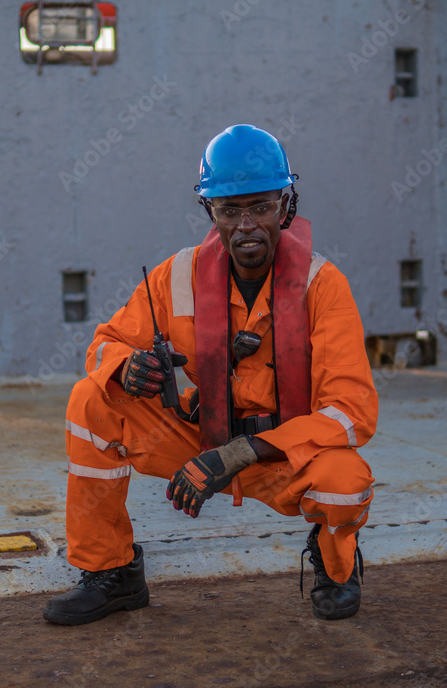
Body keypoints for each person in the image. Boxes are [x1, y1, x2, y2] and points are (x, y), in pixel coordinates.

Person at [43, 124, 378, 626]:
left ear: (285, 207)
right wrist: (126, 367)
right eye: (229, 210)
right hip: (200, 441)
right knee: (92, 402)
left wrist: (240, 453)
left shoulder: (323, 286)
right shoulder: (176, 276)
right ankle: (110, 572)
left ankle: (336, 566)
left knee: (344, 482)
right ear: (210, 212)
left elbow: (351, 412)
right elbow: (104, 345)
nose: (246, 226)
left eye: (261, 207)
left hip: (284, 455)